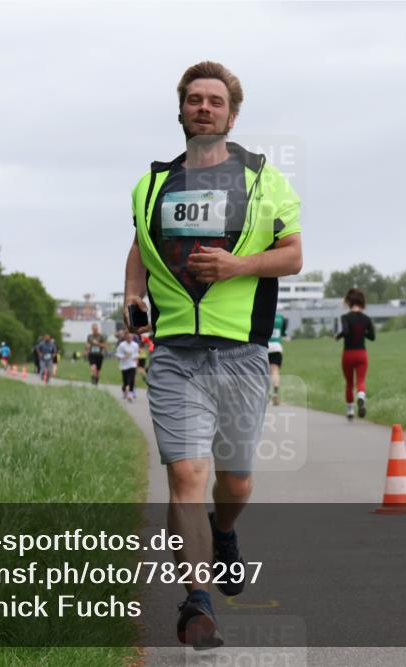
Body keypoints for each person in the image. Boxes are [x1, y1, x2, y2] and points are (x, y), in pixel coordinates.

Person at [122, 61, 302, 650]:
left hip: (241, 354)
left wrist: (237, 265)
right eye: (194, 99)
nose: (204, 107)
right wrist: (131, 293)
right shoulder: (153, 184)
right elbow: (141, 244)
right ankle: (197, 602)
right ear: (181, 110)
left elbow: (292, 254)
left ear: (232, 114)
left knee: (236, 483)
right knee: (186, 475)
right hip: (176, 355)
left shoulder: (263, 180)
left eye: (215, 100)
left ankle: (224, 533)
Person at [334, 288, 375, 421]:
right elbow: (372, 337)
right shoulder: (366, 319)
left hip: (348, 354)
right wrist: (362, 332)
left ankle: (350, 410)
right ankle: (361, 396)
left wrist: (338, 336)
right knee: (361, 380)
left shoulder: (345, 317)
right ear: (362, 302)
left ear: (349, 302)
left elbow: (345, 331)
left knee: (349, 383)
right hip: (361, 354)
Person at [267, 312, 288, 406]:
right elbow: (283, 333)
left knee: (266, 372)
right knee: (275, 371)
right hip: (277, 347)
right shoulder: (281, 318)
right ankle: (275, 393)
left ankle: (266, 395)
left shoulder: (265, 315)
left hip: (265, 346)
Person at [116, 330, 140, 401]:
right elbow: (118, 354)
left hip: (132, 364)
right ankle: (124, 391)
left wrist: (136, 360)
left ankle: (131, 393)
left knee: (132, 379)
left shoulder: (135, 345)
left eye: (130, 337)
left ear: (132, 337)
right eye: (128, 337)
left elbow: (136, 354)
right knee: (125, 381)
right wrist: (123, 357)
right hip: (124, 365)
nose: (129, 338)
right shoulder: (122, 345)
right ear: (125, 337)